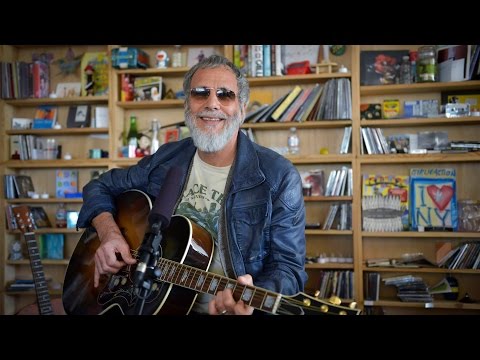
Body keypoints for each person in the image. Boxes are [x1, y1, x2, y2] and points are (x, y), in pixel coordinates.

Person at [77, 54, 307, 315]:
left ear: (241, 109)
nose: (212, 104)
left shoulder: (278, 176)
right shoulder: (167, 158)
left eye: (225, 95)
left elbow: (289, 270)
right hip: (149, 305)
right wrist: (109, 234)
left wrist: (250, 306)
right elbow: (99, 187)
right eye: (200, 94)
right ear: (188, 105)